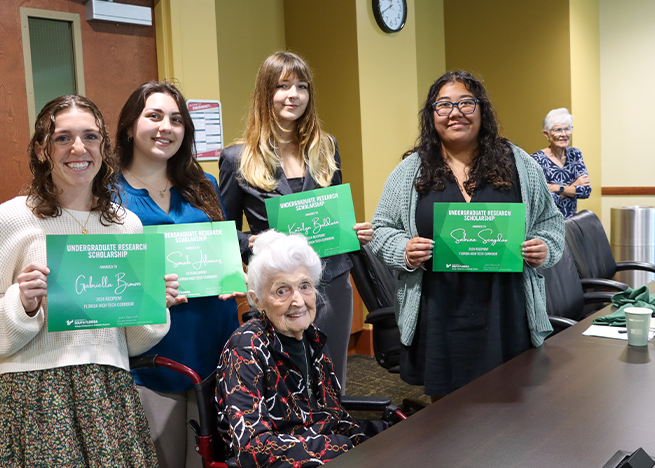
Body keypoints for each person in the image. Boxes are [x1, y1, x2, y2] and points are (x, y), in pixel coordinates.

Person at [0, 95, 173, 468]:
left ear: (104, 148)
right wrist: (22, 304)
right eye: (62, 138)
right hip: (39, 396)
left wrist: (153, 303)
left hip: (109, 392)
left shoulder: (126, 225)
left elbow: (130, 340)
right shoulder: (11, 219)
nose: (78, 149)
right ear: (42, 148)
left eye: (90, 136)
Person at [370, 71, 564, 401]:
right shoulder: (410, 171)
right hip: (440, 313)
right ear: (431, 115)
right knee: (447, 418)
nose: (455, 112)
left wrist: (544, 248)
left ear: (482, 110)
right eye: (443, 105)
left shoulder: (519, 164)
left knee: (513, 409)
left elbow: (552, 224)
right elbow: (380, 230)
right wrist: (404, 249)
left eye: (465, 103)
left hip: (506, 309)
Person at [219, 51, 373, 391]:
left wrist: (353, 232)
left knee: (333, 380)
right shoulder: (237, 158)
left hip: (332, 281)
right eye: (284, 86)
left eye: (302, 86)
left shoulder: (326, 148)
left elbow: (332, 214)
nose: (294, 95)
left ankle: (337, 442)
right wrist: (251, 242)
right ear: (265, 93)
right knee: (285, 382)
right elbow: (222, 233)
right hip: (277, 289)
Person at [114, 80, 240, 468]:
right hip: (154, 355)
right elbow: (103, 281)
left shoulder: (201, 183)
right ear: (131, 126)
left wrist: (234, 277)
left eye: (176, 119)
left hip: (217, 342)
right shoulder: (107, 195)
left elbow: (224, 248)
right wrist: (145, 291)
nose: (166, 126)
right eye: (154, 116)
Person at [215, 230, 367, 468]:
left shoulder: (311, 337)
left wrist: (364, 445)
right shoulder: (246, 348)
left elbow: (333, 414)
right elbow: (254, 452)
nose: (298, 301)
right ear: (257, 299)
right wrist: (341, 447)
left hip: (321, 466)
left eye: (305, 286)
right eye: (282, 291)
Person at [531, 108, 591, 218]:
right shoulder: (536, 160)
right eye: (558, 130)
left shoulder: (575, 154)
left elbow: (586, 191)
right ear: (546, 134)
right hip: (547, 224)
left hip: (571, 223)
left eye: (567, 129)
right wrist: (573, 187)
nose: (563, 134)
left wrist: (556, 188)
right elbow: (543, 201)